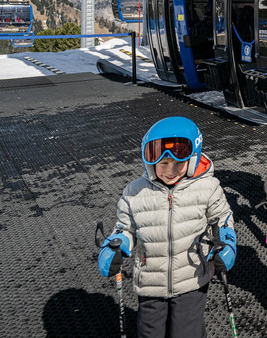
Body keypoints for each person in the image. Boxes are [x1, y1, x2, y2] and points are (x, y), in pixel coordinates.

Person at [97, 116, 237, 338]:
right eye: (163, 164)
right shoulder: (134, 192)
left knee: (185, 332)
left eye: (178, 164)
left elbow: (222, 218)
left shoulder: (207, 187)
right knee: (150, 332)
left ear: (192, 160)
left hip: (192, 277)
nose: (170, 170)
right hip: (150, 281)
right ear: (151, 163)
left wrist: (227, 242)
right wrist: (116, 244)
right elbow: (125, 227)